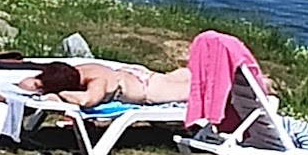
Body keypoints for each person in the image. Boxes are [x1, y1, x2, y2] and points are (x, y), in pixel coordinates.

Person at [18, 59, 190, 109]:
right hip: (135, 76)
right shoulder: (74, 71)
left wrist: (60, 94)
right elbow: (27, 83)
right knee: (178, 76)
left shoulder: (96, 81)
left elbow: (87, 100)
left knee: (194, 89)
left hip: (148, 89)